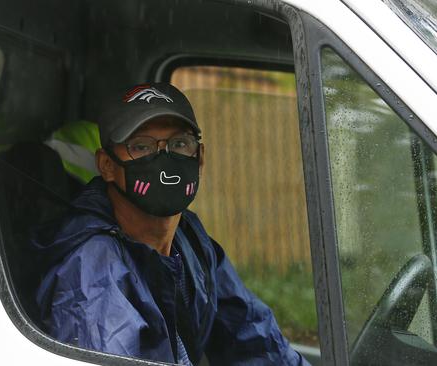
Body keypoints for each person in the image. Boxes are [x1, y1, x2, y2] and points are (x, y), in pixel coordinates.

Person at [35, 82, 309, 365]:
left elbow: (254, 338)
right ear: (107, 166)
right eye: (141, 147)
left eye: (179, 144)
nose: (164, 161)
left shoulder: (189, 237)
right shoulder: (91, 268)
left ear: (199, 157)